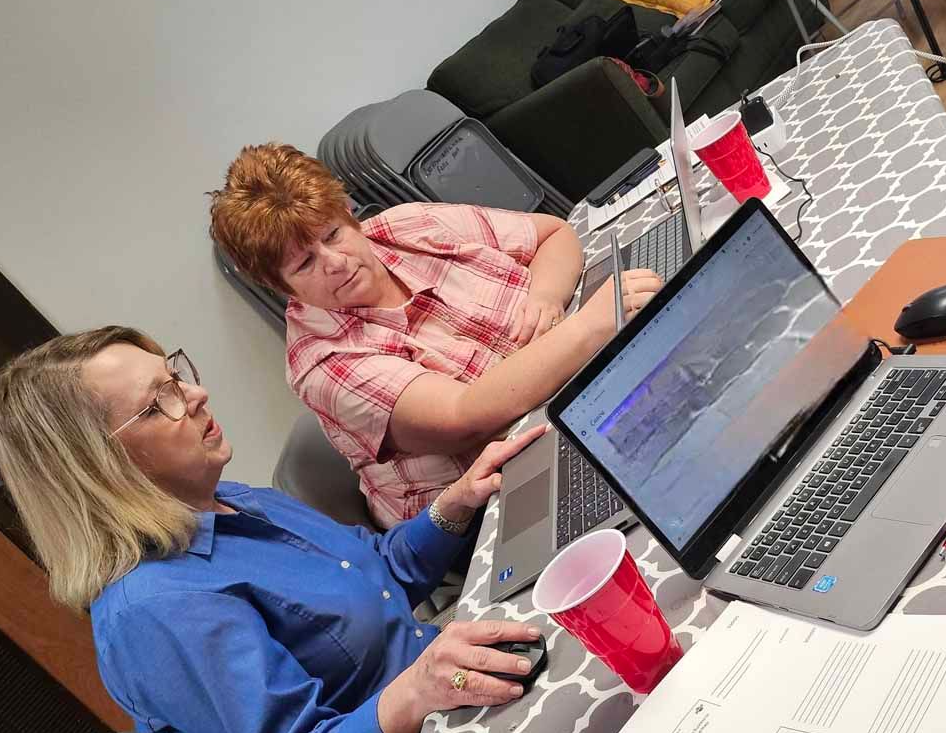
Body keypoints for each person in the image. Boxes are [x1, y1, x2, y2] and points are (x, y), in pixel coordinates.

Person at [0, 326, 547, 733]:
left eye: (174, 374)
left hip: (426, 721)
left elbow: (375, 577)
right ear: (99, 466)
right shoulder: (155, 609)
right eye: (159, 402)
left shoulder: (225, 502)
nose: (195, 395)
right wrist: (414, 692)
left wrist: (453, 504)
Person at [209, 143, 662, 528]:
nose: (334, 261)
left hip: (569, 398)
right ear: (279, 285)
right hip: (493, 504)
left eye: (333, 234)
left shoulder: (406, 226)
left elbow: (553, 234)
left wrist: (545, 295)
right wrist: (586, 327)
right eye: (304, 263)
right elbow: (466, 417)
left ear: (347, 212)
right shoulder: (323, 363)